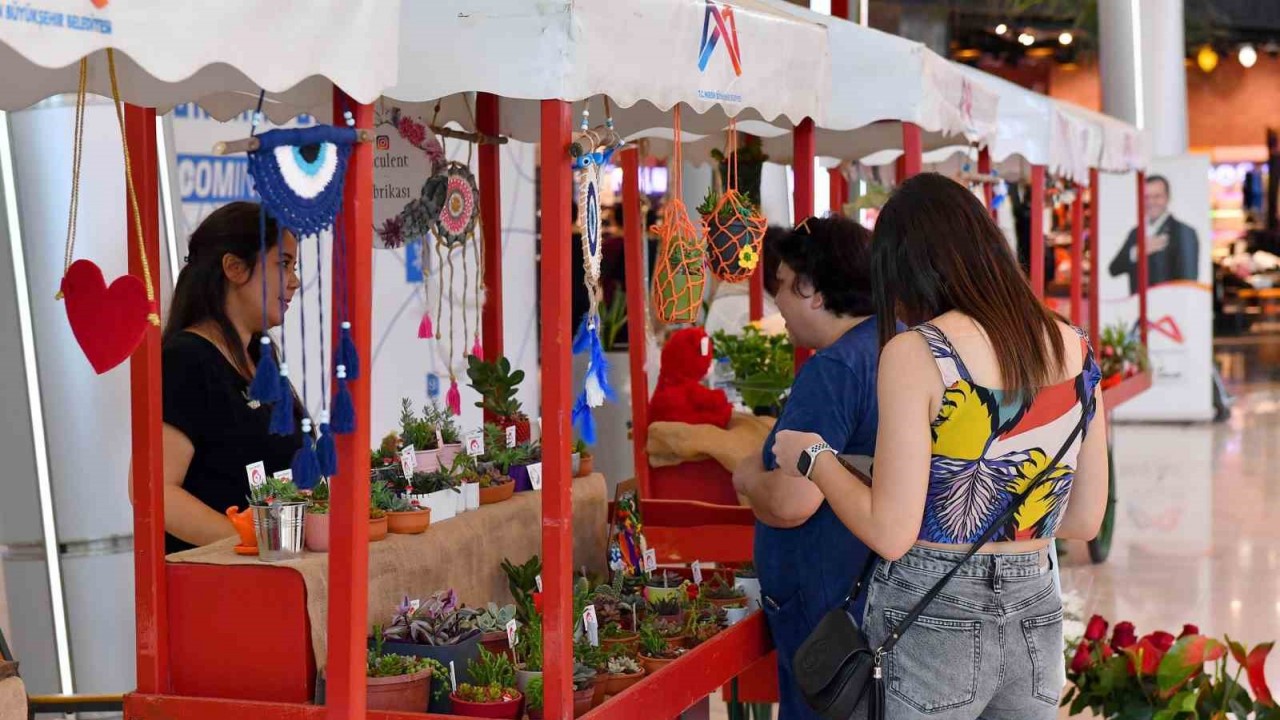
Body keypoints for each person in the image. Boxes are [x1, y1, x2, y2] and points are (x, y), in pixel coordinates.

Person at [772, 174, 1108, 720]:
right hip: (1036, 613)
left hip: (933, 614)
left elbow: (891, 532)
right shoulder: (1074, 347)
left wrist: (813, 459)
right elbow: (1084, 519)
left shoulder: (918, 352)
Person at [731, 215, 882, 719]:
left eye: (781, 286)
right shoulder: (893, 343)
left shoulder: (835, 368)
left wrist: (749, 477)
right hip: (872, 597)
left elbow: (795, 501)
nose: (778, 302)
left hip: (829, 611)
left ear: (812, 288)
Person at [153, 202, 303, 554]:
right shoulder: (184, 360)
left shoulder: (261, 358)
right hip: (218, 590)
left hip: (275, 577)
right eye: (283, 264)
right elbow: (156, 491)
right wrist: (248, 540)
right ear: (234, 268)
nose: (294, 281)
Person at [1109, 174, 1200, 294]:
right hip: (1137, 308)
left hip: (1170, 309)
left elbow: (1189, 281)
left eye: (1157, 196)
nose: (1151, 202)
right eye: (1146, 197)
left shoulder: (1184, 232)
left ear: (1167, 198)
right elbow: (1114, 269)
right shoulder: (1136, 233)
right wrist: (1138, 252)